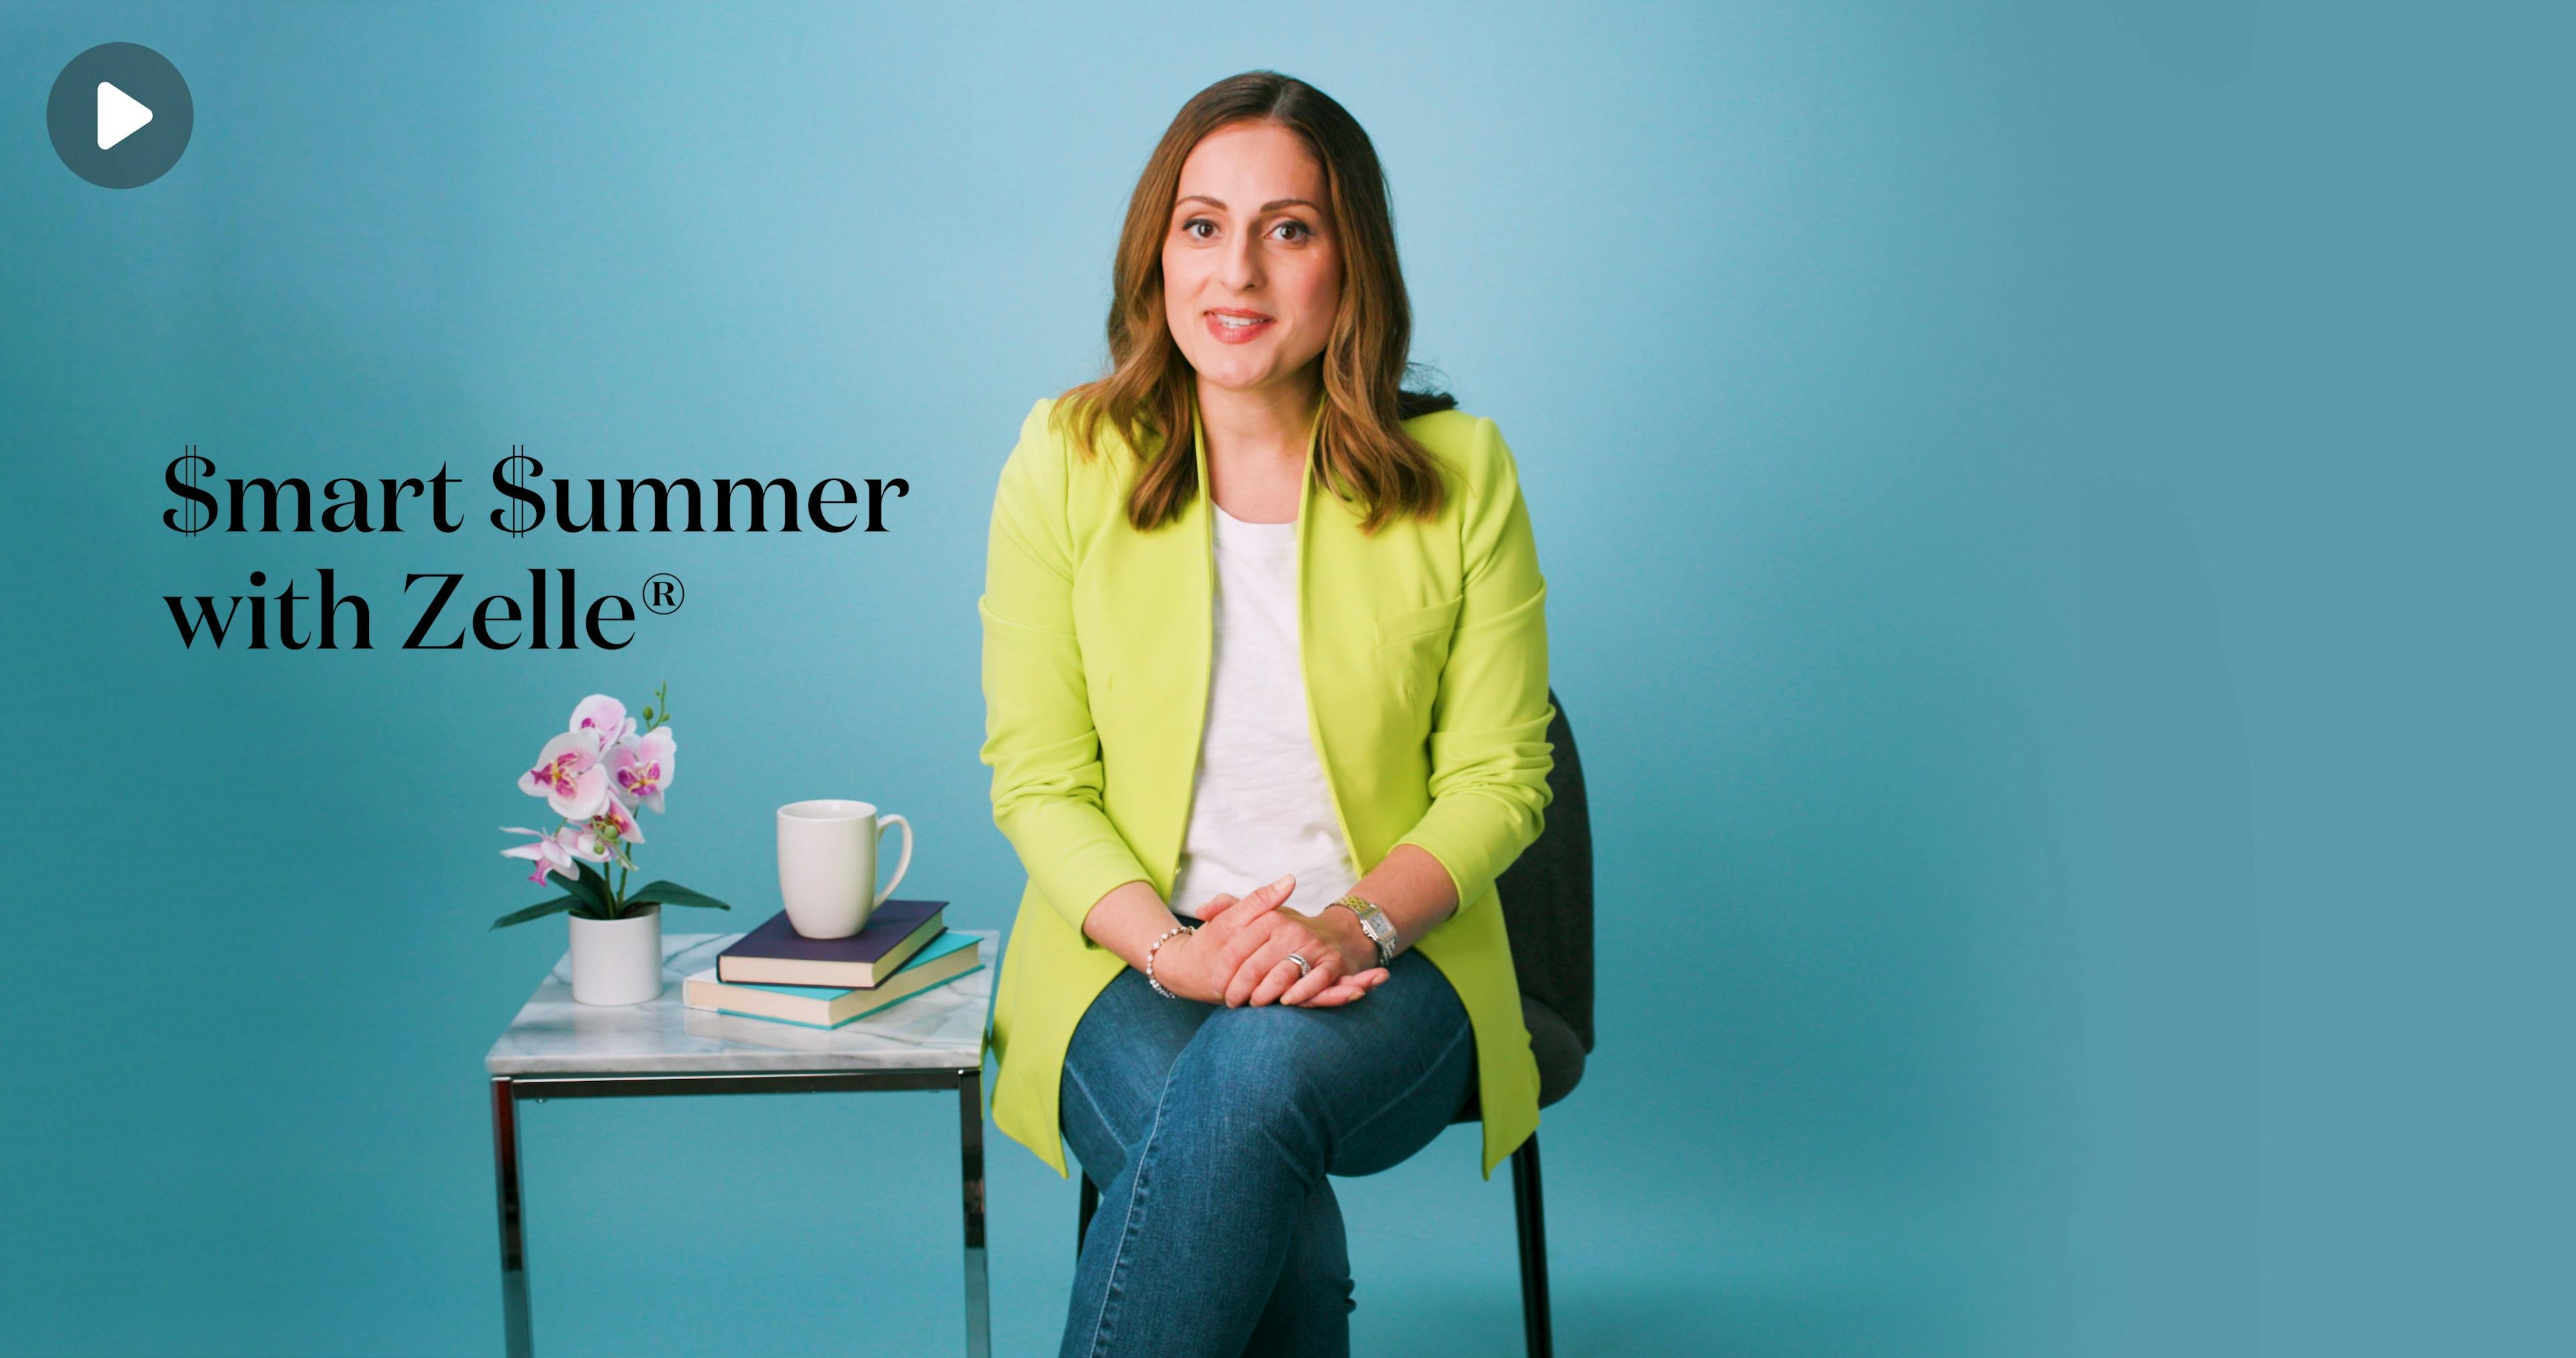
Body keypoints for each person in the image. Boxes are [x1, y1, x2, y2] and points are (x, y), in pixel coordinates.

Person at [977, 68, 1556, 1358]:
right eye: (1202, 226)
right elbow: (1039, 776)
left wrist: (1349, 927)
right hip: (1124, 958)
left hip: (1389, 965)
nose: (1235, 271)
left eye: (1288, 228)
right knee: (1252, 1169)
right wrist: (1171, 949)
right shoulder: (1065, 458)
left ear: (1350, 264)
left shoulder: (1463, 475)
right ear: (1157, 253)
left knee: (1252, 1081)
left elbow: (1502, 776)